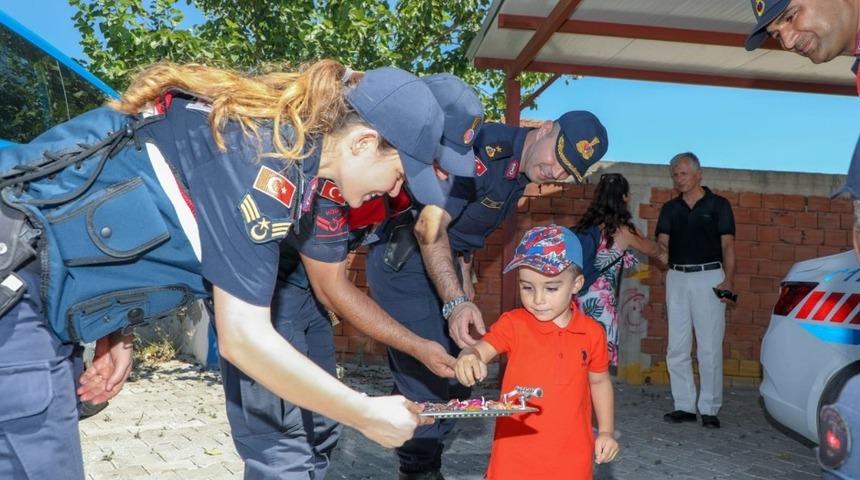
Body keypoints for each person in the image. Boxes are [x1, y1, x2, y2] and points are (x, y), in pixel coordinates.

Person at [0, 60, 451, 479]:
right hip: (18, 305)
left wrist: (117, 329)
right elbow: (244, 339)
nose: (395, 190)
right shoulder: (264, 165)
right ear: (364, 142)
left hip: (36, 298)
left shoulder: (262, 135)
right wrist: (364, 413)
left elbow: (136, 200)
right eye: (399, 173)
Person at [220, 72, 484, 479]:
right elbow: (332, 287)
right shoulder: (331, 167)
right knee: (282, 440)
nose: (442, 177)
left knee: (323, 427)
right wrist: (414, 351)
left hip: (306, 291)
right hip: (269, 288)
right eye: (435, 160)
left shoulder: (377, 169)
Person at [365, 110, 610, 478]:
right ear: (543, 129)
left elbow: (463, 242)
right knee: (432, 379)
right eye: (556, 158)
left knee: (458, 374)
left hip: (441, 269)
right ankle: (418, 471)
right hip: (407, 266)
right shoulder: (481, 149)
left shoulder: (518, 175)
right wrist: (456, 302)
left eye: (567, 173)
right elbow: (430, 228)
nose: (555, 173)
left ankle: (421, 454)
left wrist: (465, 294)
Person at [454, 224, 619, 480]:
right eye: (527, 287)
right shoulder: (514, 324)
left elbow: (599, 381)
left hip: (571, 456)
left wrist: (606, 431)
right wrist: (470, 356)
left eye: (551, 288)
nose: (537, 299)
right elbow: (482, 349)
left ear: (576, 284)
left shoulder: (592, 333)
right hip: (514, 455)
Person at [656, 152, 736, 429]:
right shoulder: (669, 209)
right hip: (676, 277)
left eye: (683, 173)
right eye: (675, 174)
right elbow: (662, 246)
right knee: (676, 346)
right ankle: (684, 406)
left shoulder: (719, 205)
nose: (679, 179)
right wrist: (654, 252)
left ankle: (710, 408)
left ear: (699, 173)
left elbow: (728, 246)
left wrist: (729, 280)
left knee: (709, 346)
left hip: (711, 277)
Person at [573, 173, 667, 370]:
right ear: (624, 197)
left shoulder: (585, 226)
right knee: (597, 364)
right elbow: (653, 249)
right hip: (601, 303)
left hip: (576, 299)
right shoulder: (623, 231)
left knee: (578, 357)